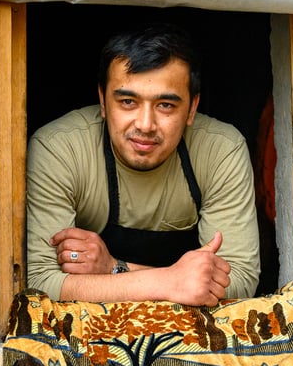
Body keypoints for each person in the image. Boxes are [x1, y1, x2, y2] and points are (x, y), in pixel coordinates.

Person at [25, 23, 260, 306]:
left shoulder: (220, 150)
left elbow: (242, 281)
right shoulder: (61, 148)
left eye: (165, 106)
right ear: (102, 100)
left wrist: (114, 268)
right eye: (127, 101)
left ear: (192, 108)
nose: (146, 125)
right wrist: (170, 281)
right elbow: (40, 283)